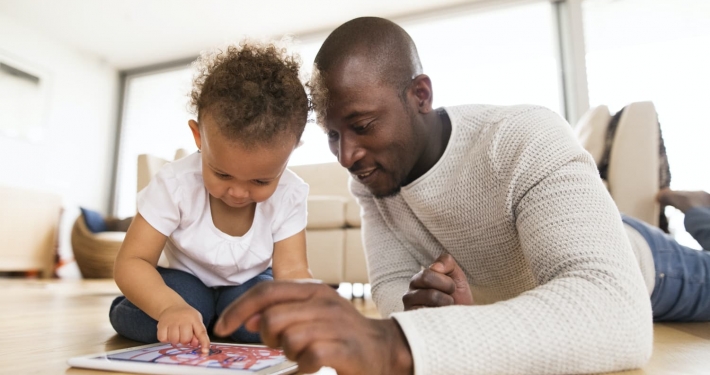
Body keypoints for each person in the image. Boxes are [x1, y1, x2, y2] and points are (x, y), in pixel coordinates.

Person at [214, 17, 707, 375]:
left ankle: (699, 212)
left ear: (421, 95)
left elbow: (618, 317)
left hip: (650, 267)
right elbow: (390, 290)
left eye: (362, 126)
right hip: (529, 300)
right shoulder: (371, 179)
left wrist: (397, 344)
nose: (346, 156)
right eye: (333, 135)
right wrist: (430, 313)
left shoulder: (522, 137)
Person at [109, 41, 312, 354]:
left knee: (263, 316)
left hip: (248, 285)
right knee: (163, 314)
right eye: (222, 174)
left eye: (260, 180)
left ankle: (213, 321)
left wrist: (308, 310)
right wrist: (168, 308)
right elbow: (131, 262)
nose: (238, 192)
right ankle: (195, 315)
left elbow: (294, 273)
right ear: (198, 136)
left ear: (291, 151)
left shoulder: (291, 193)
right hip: (184, 284)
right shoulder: (175, 183)